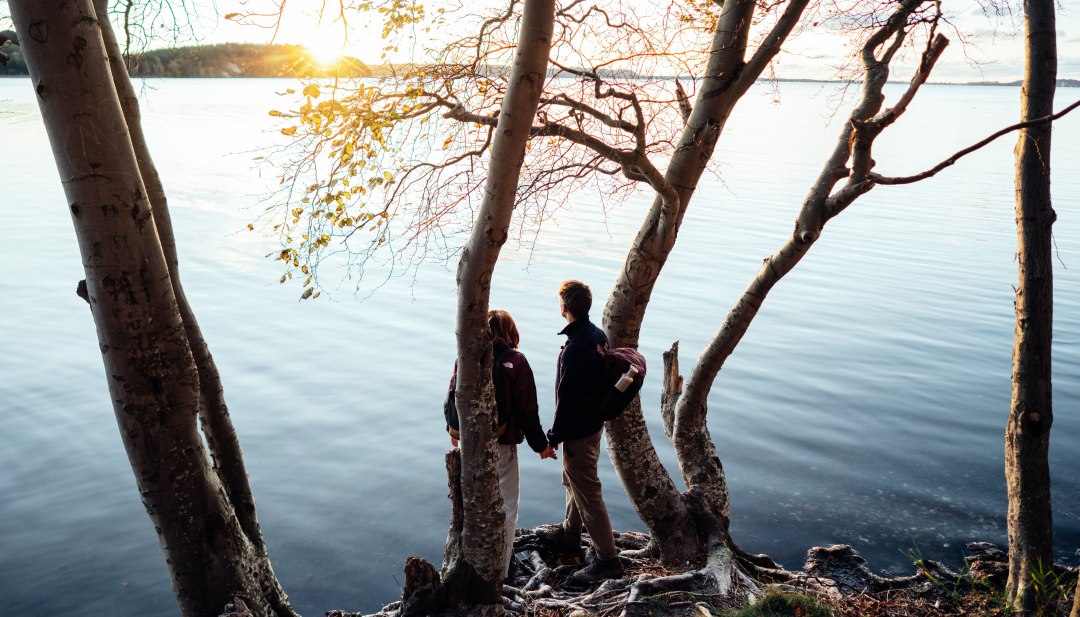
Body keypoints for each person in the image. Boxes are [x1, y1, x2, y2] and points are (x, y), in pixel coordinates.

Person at [443, 309, 558, 580]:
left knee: (472, 506)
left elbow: (452, 395)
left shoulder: (467, 357)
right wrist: (542, 446)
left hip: (468, 445)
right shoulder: (516, 362)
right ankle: (500, 572)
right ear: (510, 332)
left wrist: (455, 430)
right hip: (501, 444)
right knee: (506, 508)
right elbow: (528, 412)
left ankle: (469, 568)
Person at [541, 279, 625, 585]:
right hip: (592, 426)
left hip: (578, 430)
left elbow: (567, 399)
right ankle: (570, 535)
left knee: (588, 491)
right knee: (575, 480)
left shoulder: (576, 347)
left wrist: (552, 437)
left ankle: (608, 560)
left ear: (564, 307)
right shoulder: (596, 335)